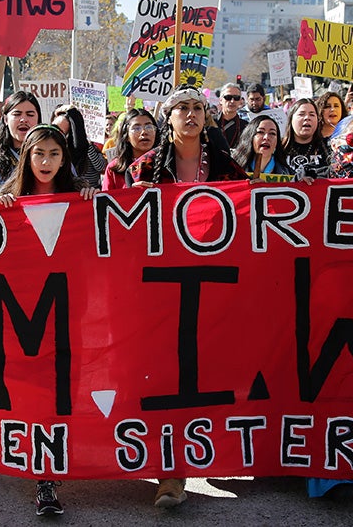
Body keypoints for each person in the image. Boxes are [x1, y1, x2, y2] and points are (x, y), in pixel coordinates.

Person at [128, 85, 247, 508]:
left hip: (212, 287)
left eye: (199, 108)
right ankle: (169, 473)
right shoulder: (144, 168)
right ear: (170, 118)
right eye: (183, 108)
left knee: (206, 375)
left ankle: (208, 453)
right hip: (158, 288)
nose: (192, 115)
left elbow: (253, 206)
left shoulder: (227, 167)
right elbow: (121, 223)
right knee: (166, 378)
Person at [0, 124, 97, 517]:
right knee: (31, 385)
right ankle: (40, 468)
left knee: (64, 385)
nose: (46, 162)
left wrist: (92, 202)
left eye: (54, 153)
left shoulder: (80, 198)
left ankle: (52, 466)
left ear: (64, 158)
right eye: (39, 154)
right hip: (23, 309)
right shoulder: (7, 200)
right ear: (26, 157)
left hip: (69, 307)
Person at [51, 104, 108, 188]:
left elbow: (100, 166)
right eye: (54, 127)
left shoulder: (78, 151)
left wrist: (72, 111)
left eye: (62, 132)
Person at [101, 108, 157, 190]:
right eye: (137, 128)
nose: (144, 132)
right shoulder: (114, 168)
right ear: (126, 136)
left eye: (149, 127)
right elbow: (106, 200)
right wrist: (129, 195)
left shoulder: (168, 164)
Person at [283, 98, 330, 178]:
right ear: (291, 119)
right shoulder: (278, 148)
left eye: (312, 114)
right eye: (301, 114)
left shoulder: (328, 147)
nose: (307, 118)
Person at [217, 82, 248, 148]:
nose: (232, 101)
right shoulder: (210, 122)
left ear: (240, 101)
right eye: (228, 97)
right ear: (220, 100)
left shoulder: (246, 126)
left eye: (236, 98)